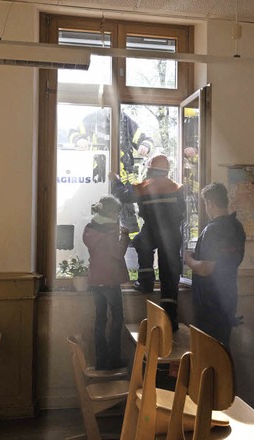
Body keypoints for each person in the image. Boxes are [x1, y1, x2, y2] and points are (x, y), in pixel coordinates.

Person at [110, 154, 185, 332]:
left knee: (141, 243)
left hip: (152, 229)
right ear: (166, 171)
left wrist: (115, 181)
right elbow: (182, 210)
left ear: (150, 169)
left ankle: (145, 282)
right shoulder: (176, 187)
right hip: (172, 233)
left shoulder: (144, 186)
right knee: (169, 276)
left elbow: (123, 196)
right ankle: (170, 321)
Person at [69, 110, 154, 232]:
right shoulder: (92, 118)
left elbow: (144, 139)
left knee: (128, 220)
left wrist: (145, 145)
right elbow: (73, 133)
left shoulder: (125, 120)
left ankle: (129, 246)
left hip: (123, 184)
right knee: (99, 213)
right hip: (99, 180)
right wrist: (79, 140)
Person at [184, 182, 246, 347]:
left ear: (209, 203)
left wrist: (188, 259)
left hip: (210, 302)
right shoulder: (237, 227)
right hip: (229, 297)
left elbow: (205, 269)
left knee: (209, 352)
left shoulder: (212, 230)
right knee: (222, 348)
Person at [82, 195, 130, 370]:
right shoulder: (110, 231)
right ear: (111, 212)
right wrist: (125, 236)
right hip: (110, 279)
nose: (118, 216)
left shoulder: (89, 228)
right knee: (117, 319)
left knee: (100, 320)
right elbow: (117, 254)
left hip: (95, 279)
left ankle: (100, 360)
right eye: (117, 212)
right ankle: (113, 359)